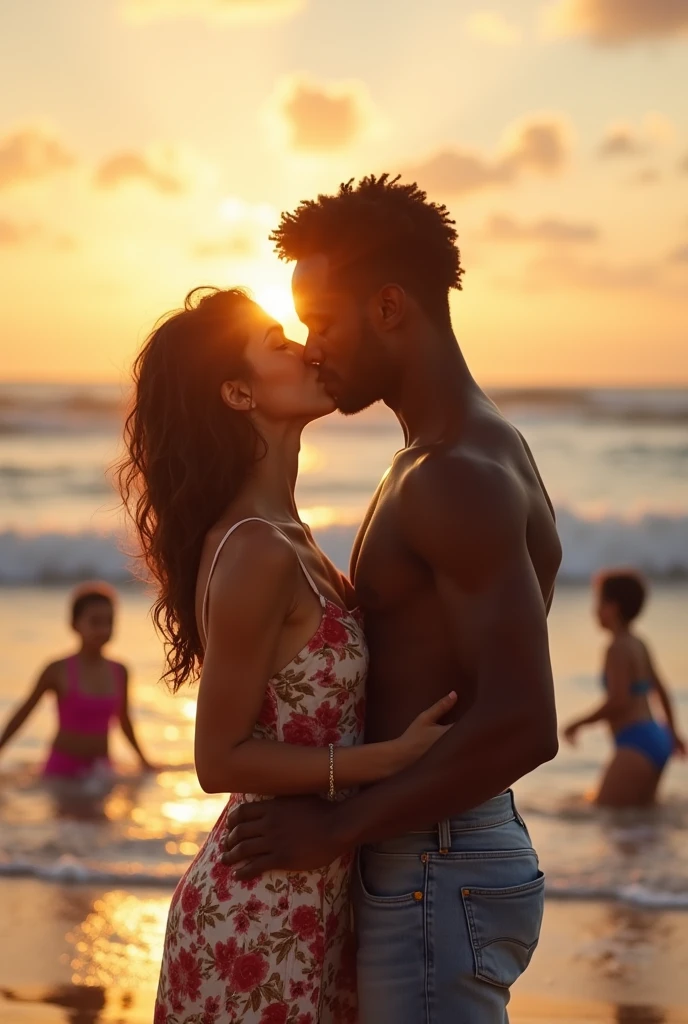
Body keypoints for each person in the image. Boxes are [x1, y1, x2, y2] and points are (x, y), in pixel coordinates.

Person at [222, 174, 562, 1024]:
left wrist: (337, 827)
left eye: (322, 323)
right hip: (434, 851)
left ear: (388, 307)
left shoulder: (454, 476)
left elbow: (524, 720)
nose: (311, 348)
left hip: (433, 861)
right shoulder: (460, 451)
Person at [117, 286, 456, 1023]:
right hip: (251, 919)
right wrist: (386, 760)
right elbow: (219, 758)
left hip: (311, 904)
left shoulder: (292, 536)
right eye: (277, 342)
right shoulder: (256, 551)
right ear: (238, 393)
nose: (306, 347)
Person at [0, 583, 152, 780]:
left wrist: (144, 761)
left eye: (109, 622)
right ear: (74, 624)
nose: (103, 629)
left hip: (102, 771)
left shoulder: (120, 671)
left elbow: (125, 721)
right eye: (95, 622)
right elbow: (24, 712)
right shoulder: (57, 670)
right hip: (61, 771)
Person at [563, 569, 685, 807]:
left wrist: (577, 724)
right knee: (639, 821)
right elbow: (661, 690)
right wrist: (673, 733)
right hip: (656, 738)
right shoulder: (638, 643)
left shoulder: (616, 648)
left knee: (604, 813)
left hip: (635, 743)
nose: (594, 610)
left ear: (613, 607)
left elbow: (620, 701)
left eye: (598, 602)